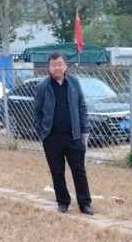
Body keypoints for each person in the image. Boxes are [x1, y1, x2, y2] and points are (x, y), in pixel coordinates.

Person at [33, 53, 93, 215]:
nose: (57, 67)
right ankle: (63, 202)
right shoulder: (42, 87)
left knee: (79, 171)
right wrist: (43, 133)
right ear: (49, 68)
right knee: (57, 171)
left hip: (74, 135)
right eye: (53, 65)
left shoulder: (74, 83)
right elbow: (37, 113)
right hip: (52, 138)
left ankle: (85, 203)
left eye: (60, 64)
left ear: (65, 66)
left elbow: (82, 107)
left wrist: (84, 131)